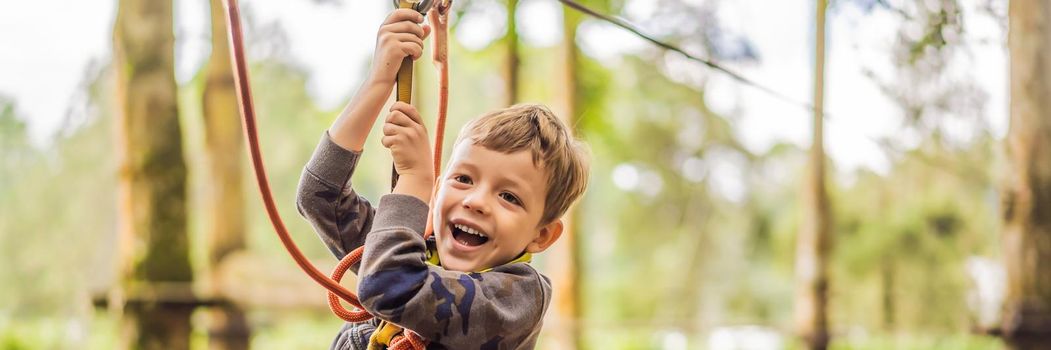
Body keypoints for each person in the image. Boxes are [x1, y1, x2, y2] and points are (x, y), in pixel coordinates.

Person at [295, 8, 590, 350]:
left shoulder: (516, 301)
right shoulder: (414, 249)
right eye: (463, 179)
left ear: (541, 235)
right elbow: (320, 196)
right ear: (437, 193)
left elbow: (390, 285)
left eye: (509, 197)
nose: (476, 201)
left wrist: (414, 180)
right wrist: (379, 79)